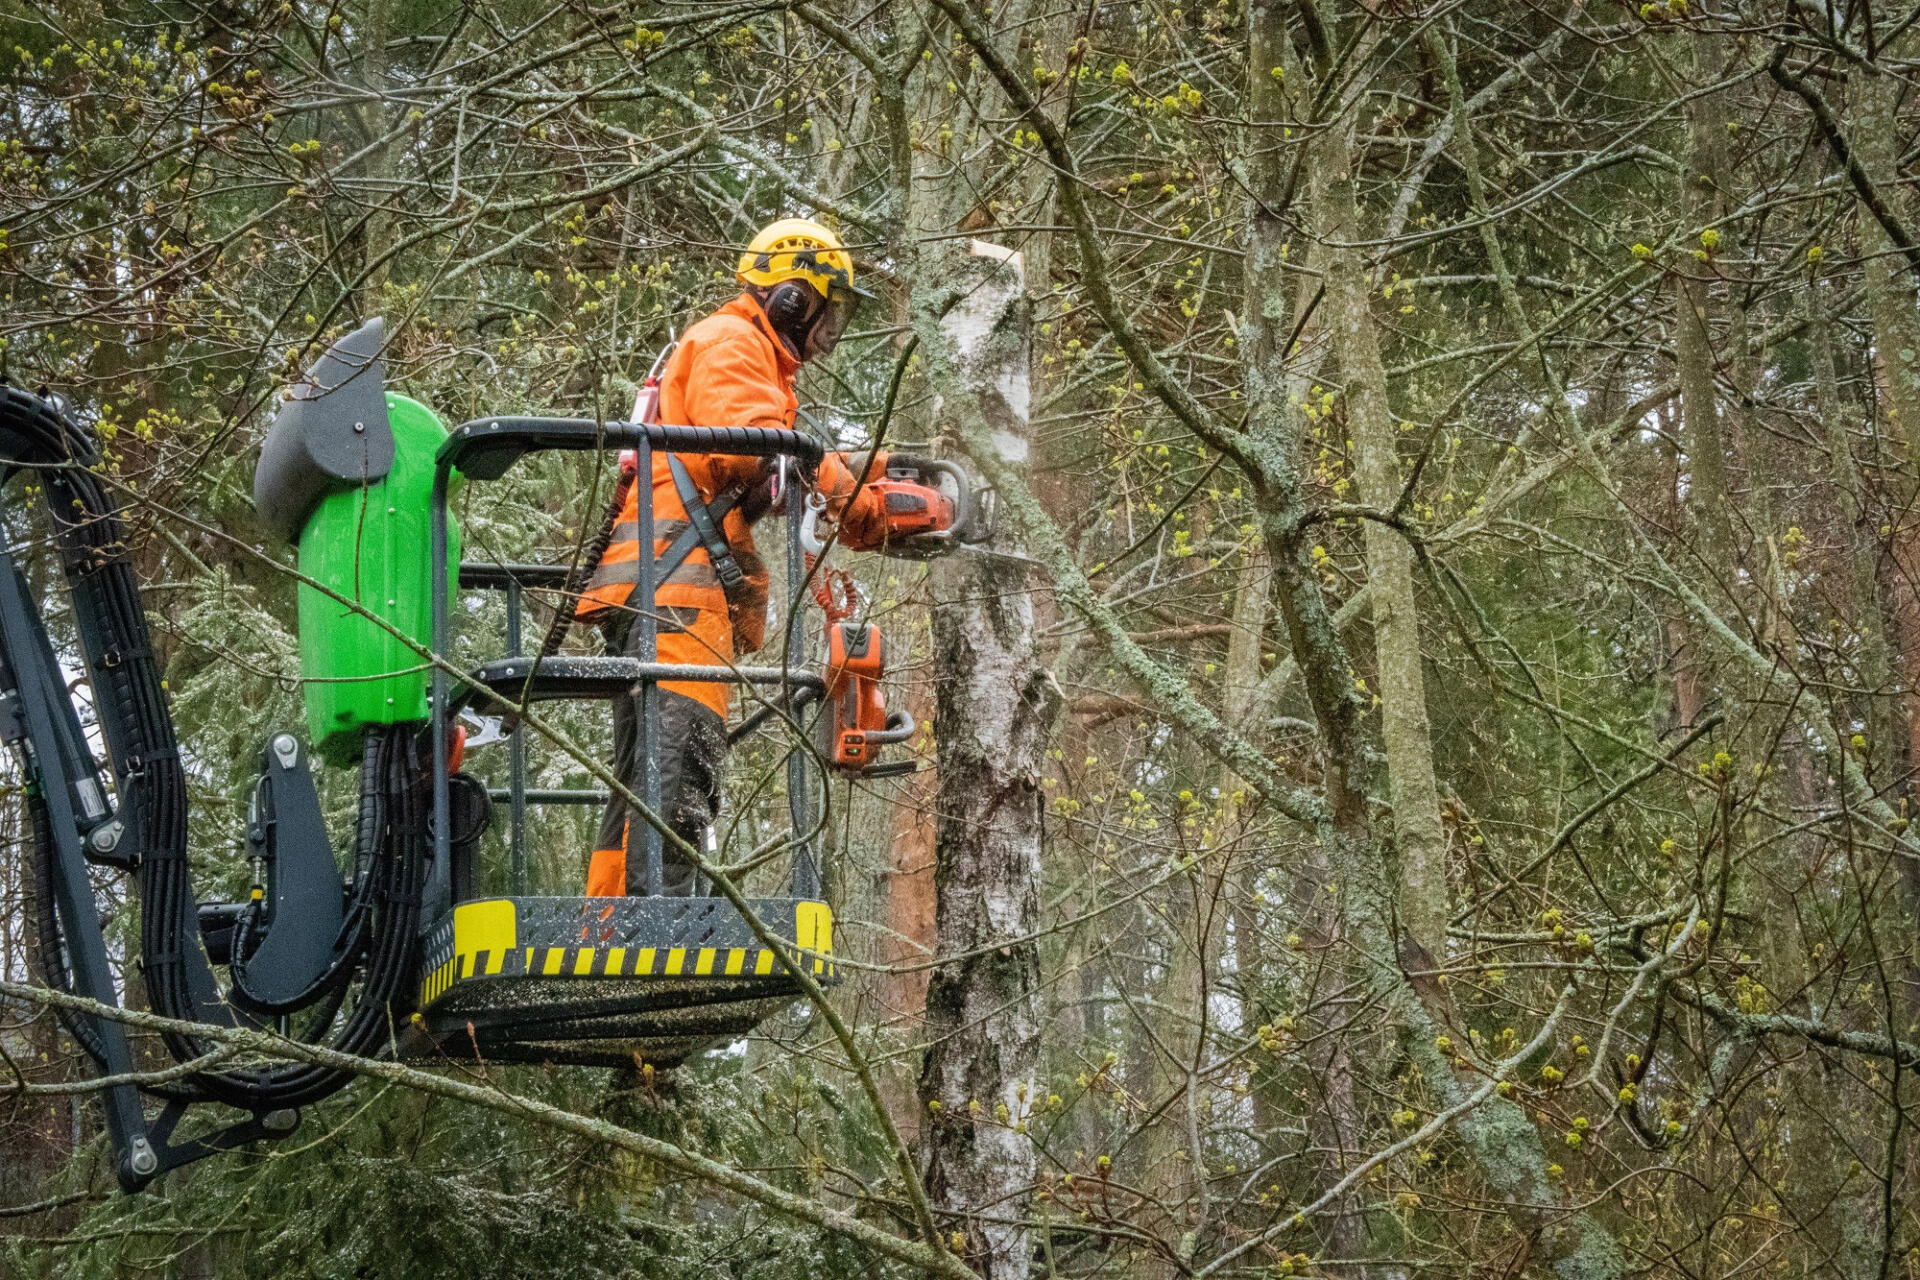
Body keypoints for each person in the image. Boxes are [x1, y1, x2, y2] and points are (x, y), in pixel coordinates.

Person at [576, 217, 885, 896]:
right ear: (790, 299)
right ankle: (659, 942)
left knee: (640, 783)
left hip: (662, 586)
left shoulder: (737, 352)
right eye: (824, 313)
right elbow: (756, 451)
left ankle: (606, 936)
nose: (826, 334)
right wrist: (861, 502)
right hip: (677, 592)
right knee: (677, 774)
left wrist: (872, 475)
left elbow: (766, 457)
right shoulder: (734, 344)